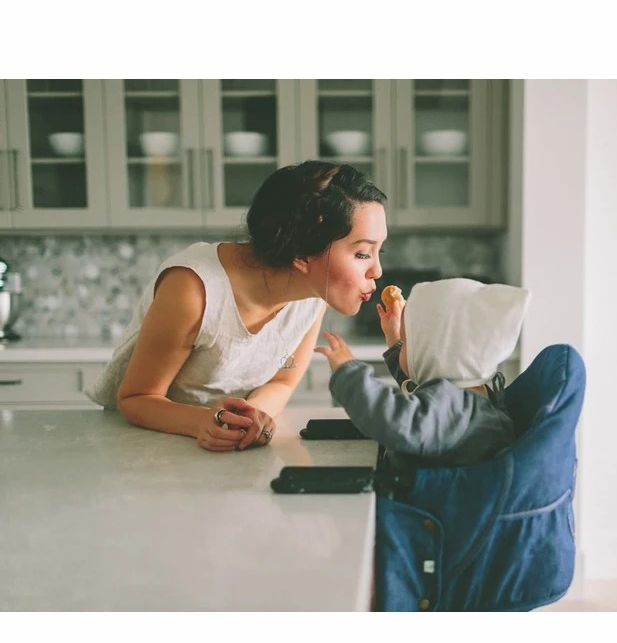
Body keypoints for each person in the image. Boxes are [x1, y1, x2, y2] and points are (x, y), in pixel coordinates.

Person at [87, 161, 388, 451]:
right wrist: (202, 422)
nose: (378, 271)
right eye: (362, 253)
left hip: (223, 450)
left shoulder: (312, 295)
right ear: (303, 254)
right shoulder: (193, 290)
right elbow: (137, 397)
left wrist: (249, 419)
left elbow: (283, 381)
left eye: (379, 251)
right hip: (142, 448)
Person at [314, 277, 531, 470]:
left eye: (408, 341)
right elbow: (418, 386)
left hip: (422, 510)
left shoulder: (453, 409)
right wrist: (395, 340)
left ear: (438, 351)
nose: (404, 345)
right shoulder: (471, 396)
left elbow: (391, 419)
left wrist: (348, 371)